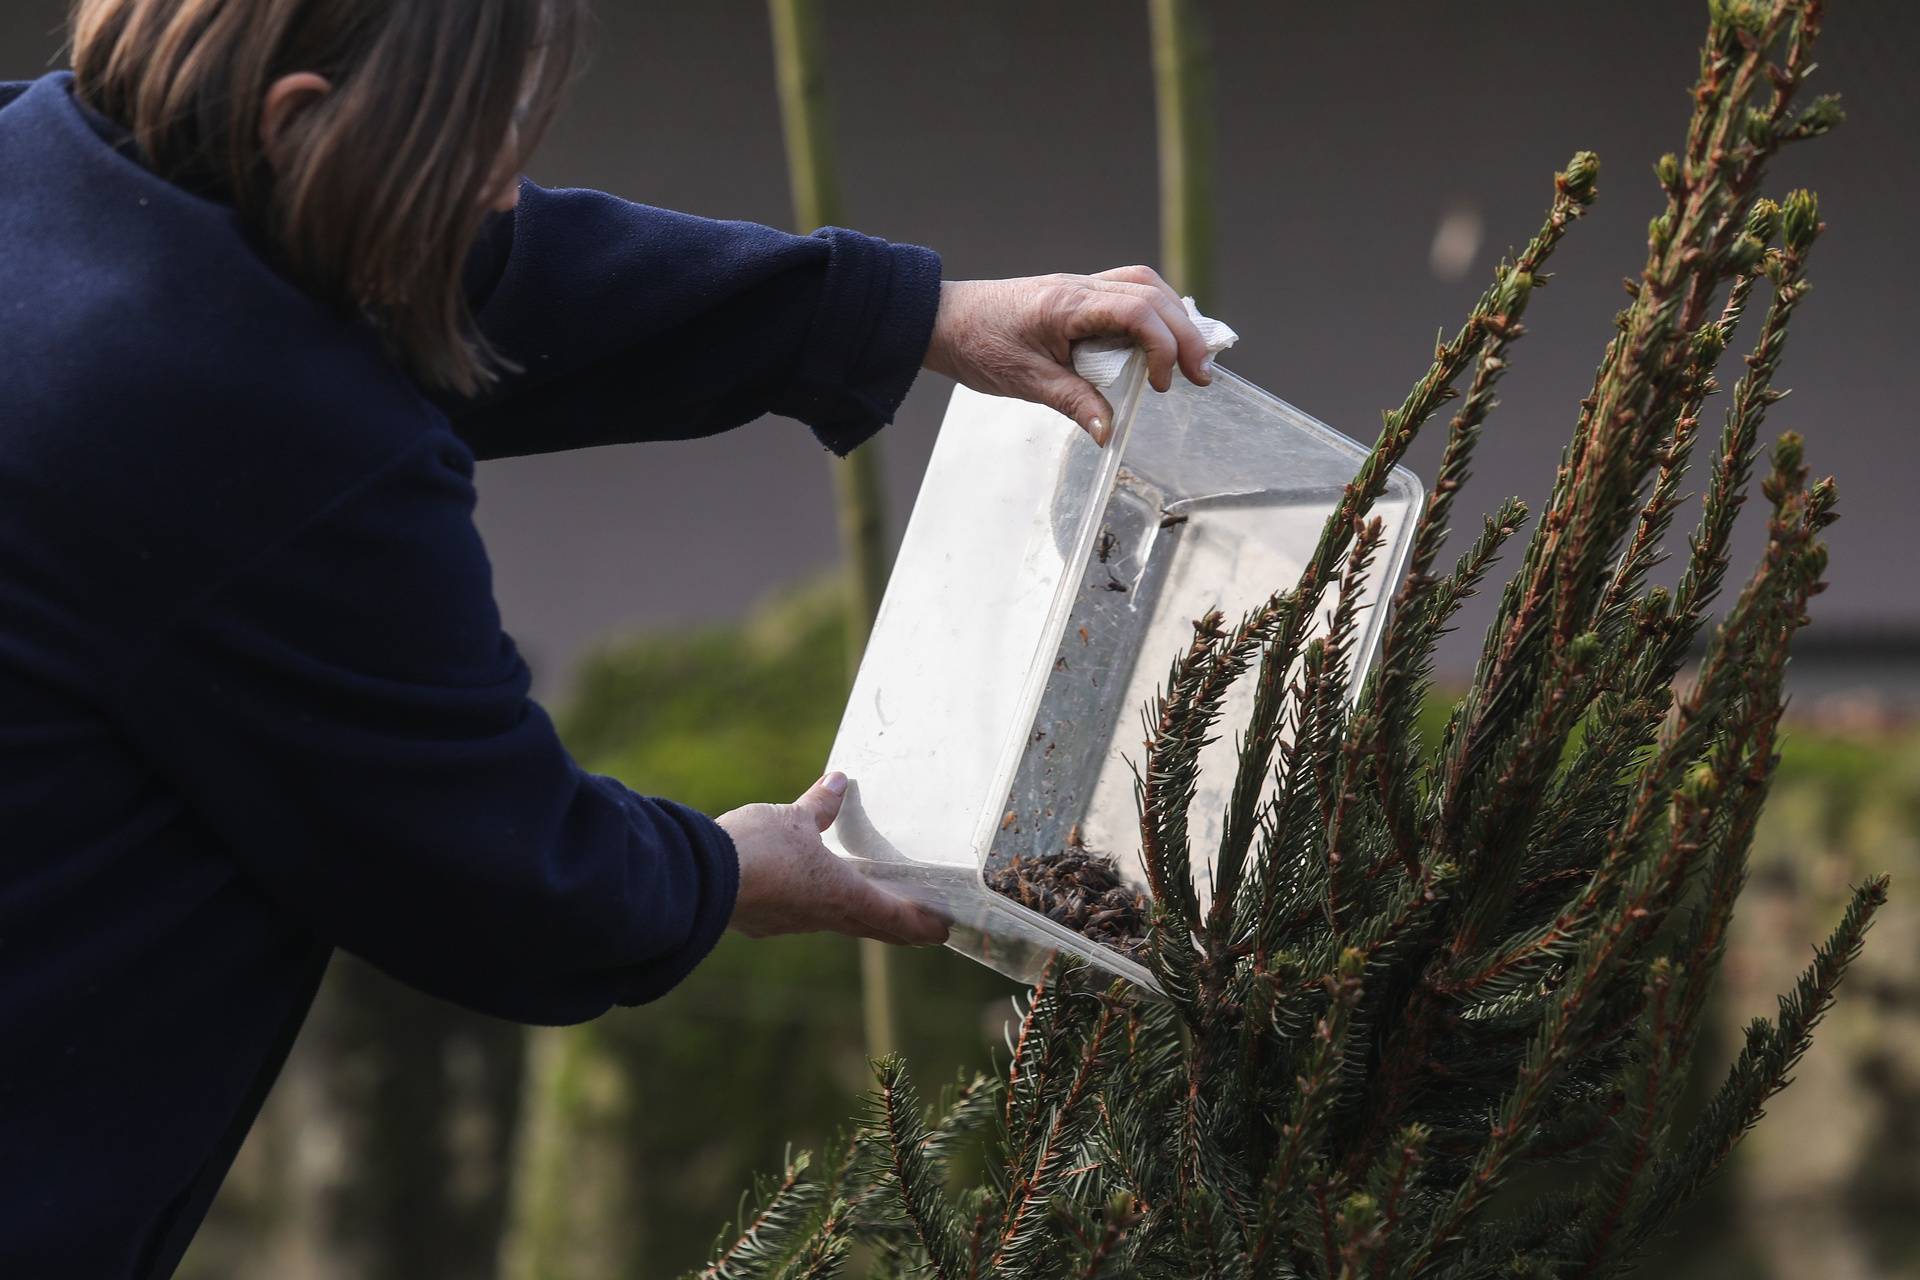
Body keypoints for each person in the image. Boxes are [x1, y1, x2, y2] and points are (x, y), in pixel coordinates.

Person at [0, 1, 1214, 1274]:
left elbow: (497, 279)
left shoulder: (55, 162)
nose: (512, 197)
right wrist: (723, 871)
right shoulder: (258, 439)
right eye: (483, 160)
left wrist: (910, 315)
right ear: (301, 120)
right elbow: (496, 865)